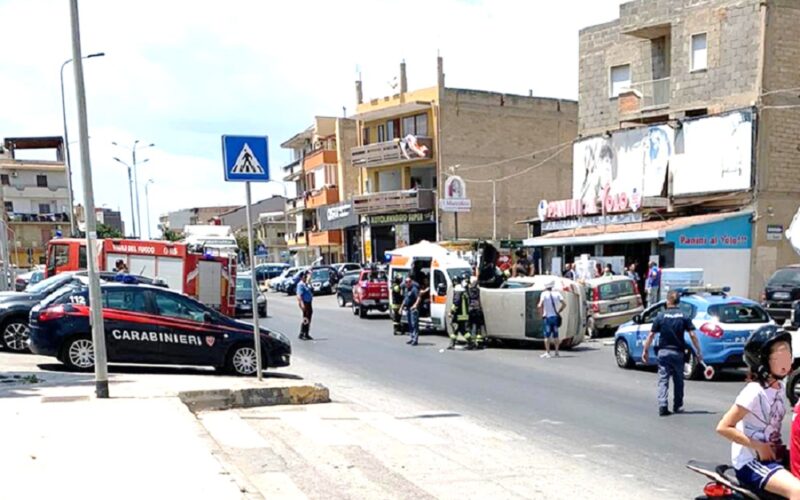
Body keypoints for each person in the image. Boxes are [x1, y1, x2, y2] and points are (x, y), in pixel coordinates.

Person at [716, 326, 800, 499]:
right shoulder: (754, 391)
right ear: (762, 362)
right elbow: (723, 427)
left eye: (788, 354)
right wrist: (759, 446)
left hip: (771, 458)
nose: (786, 361)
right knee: (797, 491)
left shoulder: (779, 387)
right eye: (779, 356)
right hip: (751, 462)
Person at [642, 291, 703, 416]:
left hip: (663, 352)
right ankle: (678, 405)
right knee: (678, 380)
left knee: (663, 379)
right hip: (677, 352)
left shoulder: (660, 316)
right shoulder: (684, 316)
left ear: (667, 301)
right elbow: (692, 335)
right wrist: (698, 350)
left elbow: (651, 335)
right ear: (678, 302)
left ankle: (663, 405)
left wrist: (645, 350)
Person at [537, 280, 565, 359]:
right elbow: (564, 304)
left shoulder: (544, 294)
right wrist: (559, 311)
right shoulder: (557, 293)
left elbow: (539, 305)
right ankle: (556, 352)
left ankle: (547, 352)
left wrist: (541, 313)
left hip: (547, 317)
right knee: (556, 335)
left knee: (547, 336)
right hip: (555, 317)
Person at [449, 280, 470, 350]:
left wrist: (451, 312)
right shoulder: (464, 291)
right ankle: (471, 342)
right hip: (464, 314)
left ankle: (452, 344)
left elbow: (456, 303)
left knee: (455, 328)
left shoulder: (457, 291)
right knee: (461, 329)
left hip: (459, 314)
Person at [467, 276, 485, 349]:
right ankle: (479, 343)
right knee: (478, 327)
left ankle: (471, 343)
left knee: (470, 327)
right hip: (478, 309)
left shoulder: (469, 290)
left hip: (471, 310)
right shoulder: (478, 290)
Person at [401, 276, 420, 346]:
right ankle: (412, 338)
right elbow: (405, 299)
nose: (407, 283)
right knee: (410, 324)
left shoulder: (414, 289)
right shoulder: (406, 289)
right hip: (408, 309)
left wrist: (415, 305)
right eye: (406, 282)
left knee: (414, 324)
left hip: (413, 309)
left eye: (409, 282)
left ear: (411, 282)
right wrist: (401, 308)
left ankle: (415, 339)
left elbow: (418, 297)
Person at [296, 272, 314, 341]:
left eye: (305, 277)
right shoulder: (300, 285)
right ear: (301, 278)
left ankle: (306, 333)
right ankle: (302, 333)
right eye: (304, 277)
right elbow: (299, 295)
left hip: (309, 303)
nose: (305, 278)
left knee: (308, 318)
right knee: (306, 318)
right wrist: (302, 303)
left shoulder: (306, 284)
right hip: (305, 303)